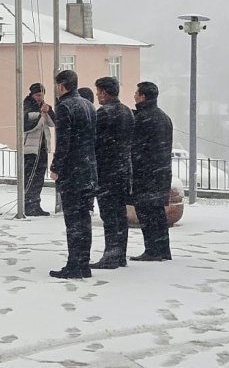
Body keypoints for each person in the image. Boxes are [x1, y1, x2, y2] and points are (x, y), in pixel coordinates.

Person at [48, 70, 98, 279]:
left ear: (61, 86)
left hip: (73, 171)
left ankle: (74, 264)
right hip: (88, 169)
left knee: (73, 220)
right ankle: (83, 263)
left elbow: (64, 142)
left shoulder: (65, 107)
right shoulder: (89, 105)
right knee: (83, 220)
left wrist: (56, 167)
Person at [90, 76, 134, 269]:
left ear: (105, 92)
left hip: (107, 170)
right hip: (123, 169)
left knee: (109, 216)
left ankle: (111, 256)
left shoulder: (104, 113)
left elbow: (95, 142)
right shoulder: (127, 111)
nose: (98, 95)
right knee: (119, 215)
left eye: (99, 91)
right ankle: (120, 254)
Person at [128, 81, 174, 261]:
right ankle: (163, 249)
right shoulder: (164, 117)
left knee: (146, 214)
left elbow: (136, 147)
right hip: (161, 172)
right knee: (158, 213)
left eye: (136, 93)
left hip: (145, 173)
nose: (134, 96)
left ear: (143, 96)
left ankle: (152, 250)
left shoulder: (143, 118)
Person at [22, 82, 55, 216]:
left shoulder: (44, 106)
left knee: (39, 177)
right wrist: (41, 116)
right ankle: (28, 204)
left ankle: (36, 203)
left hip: (41, 147)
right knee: (30, 177)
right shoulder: (26, 107)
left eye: (41, 95)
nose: (40, 98)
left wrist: (50, 111)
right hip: (30, 148)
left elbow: (53, 123)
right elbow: (27, 126)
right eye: (37, 95)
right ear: (32, 94)